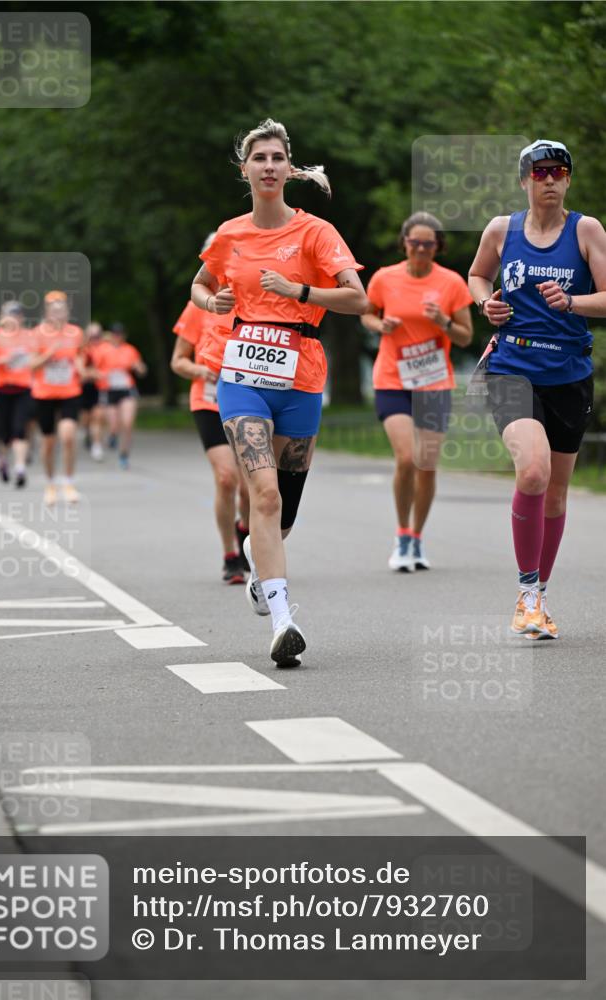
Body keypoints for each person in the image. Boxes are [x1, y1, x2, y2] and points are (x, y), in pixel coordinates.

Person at [191, 118, 368, 667]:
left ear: (290, 169)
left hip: (301, 377)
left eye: (276, 158)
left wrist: (299, 290)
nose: (268, 166)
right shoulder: (230, 233)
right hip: (242, 375)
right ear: (244, 170)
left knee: (283, 514)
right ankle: (284, 620)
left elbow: (357, 299)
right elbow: (200, 283)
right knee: (262, 496)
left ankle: (255, 553)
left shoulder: (315, 232)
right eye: (258, 158)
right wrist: (211, 303)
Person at [468, 139, 606, 639]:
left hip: (568, 373)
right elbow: (477, 275)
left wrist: (572, 302)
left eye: (559, 171)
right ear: (524, 179)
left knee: (556, 495)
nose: (550, 179)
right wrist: (486, 303)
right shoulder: (502, 229)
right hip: (510, 366)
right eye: (540, 171)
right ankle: (527, 596)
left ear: (568, 180)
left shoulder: (586, 229)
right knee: (533, 472)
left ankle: (540, 595)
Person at [362, 212, 473, 571]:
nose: (421, 250)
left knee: (426, 465)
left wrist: (442, 321)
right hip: (393, 378)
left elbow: (465, 336)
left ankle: (417, 539)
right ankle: (401, 532)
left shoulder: (452, 283)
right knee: (407, 458)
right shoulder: (384, 278)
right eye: (415, 243)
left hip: (434, 382)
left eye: (429, 244)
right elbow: (366, 314)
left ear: (437, 246)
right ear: (404, 243)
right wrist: (382, 324)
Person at [172, 259, 251, 584]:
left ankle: (245, 531)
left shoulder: (252, 302)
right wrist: (198, 370)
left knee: (250, 487)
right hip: (208, 400)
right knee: (226, 478)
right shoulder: (197, 306)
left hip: (247, 399)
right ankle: (230, 555)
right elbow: (177, 360)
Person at [29, 290, 86, 504]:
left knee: (69, 436)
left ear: (67, 312)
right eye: (54, 310)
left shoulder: (76, 333)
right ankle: (50, 483)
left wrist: (82, 369)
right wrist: (49, 353)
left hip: (70, 391)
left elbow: (78, 358)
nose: (58, 314)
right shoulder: (37, 333)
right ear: (47, 312)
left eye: (62, 310)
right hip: (44, 394)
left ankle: (69, 482)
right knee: (48, 442)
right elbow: (31, 365)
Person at [0, 301, 34, 487]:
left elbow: (37, 358)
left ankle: (20, 467)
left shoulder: (29, 336)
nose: (14, 318)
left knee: (19, 428)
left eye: (17, 314)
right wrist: (6, 359)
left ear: (22, 317)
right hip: (3, 388)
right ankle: (3, 460)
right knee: (3, 432)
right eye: (11, 314)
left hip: (23, 388)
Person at [93, 322, 147, 469]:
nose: (118, 337)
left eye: (120, 334)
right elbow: (92, 370)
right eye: (115, 334)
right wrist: (100, 374)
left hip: (126, 388)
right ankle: (112, 434)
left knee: (128, 423)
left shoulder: (130, 350)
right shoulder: (102, 350)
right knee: (114, 424)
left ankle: (124, 454)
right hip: (109, 389)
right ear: (110, 335)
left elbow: (141, 368)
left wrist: (139, 368)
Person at [80, 322, 106, 461]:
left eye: (97, 336)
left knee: (98, 417)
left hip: (99, 387)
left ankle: (97, 446)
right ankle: (87, 433)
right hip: (84, 387)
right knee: (86, 418)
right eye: (91, 336)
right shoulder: (82, 350)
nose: (95, 339)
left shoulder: (105, 349)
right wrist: (90, 373)